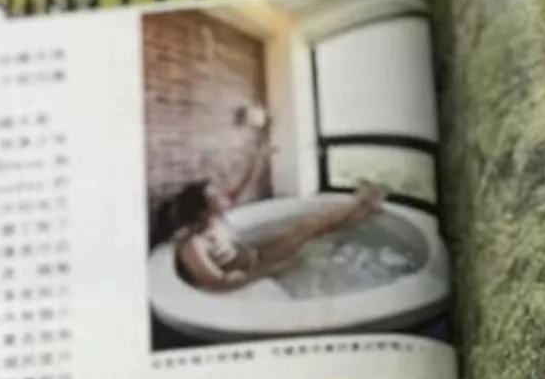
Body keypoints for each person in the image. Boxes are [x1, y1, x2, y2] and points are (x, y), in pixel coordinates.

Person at [155, 102, 387, 295]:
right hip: (257, 264)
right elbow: (219, 282)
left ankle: (362, 205)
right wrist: (273, 269)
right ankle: (362, 204)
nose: (222, 195)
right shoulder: (193, 246)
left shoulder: (214, 219)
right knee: (311, 230)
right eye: (214, 196)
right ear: (202, 210)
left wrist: (259, 157)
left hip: (256, 251)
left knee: (309, 226)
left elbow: (243, 186)